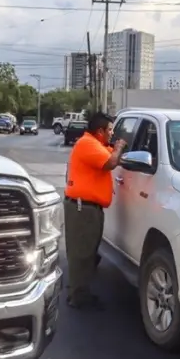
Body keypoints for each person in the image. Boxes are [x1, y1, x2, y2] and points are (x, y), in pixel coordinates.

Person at [63, 112, 127, 310]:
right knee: (81, 253)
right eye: (109, 130)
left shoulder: (95, 145)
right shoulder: (87, 144)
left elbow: (113, 157)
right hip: (83, 208)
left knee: (87, 251)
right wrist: (119, 148)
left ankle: (78, 289)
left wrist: (117, 150)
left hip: (88, 208)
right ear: (100, 131)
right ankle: (78, 297)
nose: (111, 134)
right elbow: (110, 162)